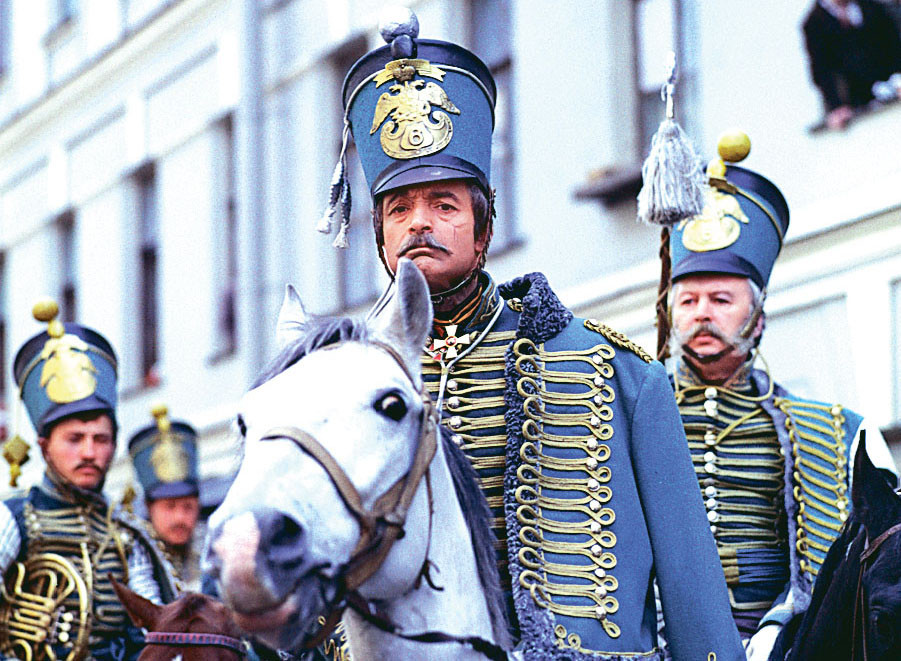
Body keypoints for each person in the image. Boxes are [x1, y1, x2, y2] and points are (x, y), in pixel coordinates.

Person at [318, 9, 745, 659]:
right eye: (399, 209)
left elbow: (692, 590)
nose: (418, 224)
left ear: (484, 230)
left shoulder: (619, 374)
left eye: (444, 204)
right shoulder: (340, 385)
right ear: (378, 237)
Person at [662, 132, 898, 659]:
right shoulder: (624, 417)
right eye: (689, 300)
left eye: (721, 299)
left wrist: (775, 631)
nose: (703, 313)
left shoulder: (841, 432)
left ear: (758, 317)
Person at [0, 300, 177, 661]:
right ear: (45, 446)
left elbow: (156, 628)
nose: (89, 452)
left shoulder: (126, 532)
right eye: (74, 439)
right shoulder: (11, 518)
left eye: (101, 439)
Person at [128, 404, 202, 592]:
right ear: (149, 507)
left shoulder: (214, 553)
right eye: (169, 507)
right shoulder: (133, 560)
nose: (180, 517)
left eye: (188, 507)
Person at [802, 0, 901, 129]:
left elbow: (892, 46)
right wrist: (836, 106)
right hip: (855, 103)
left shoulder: (872, 7)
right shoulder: (814, 23)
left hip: (889, 88)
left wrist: (897, 80)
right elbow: (822, 71)